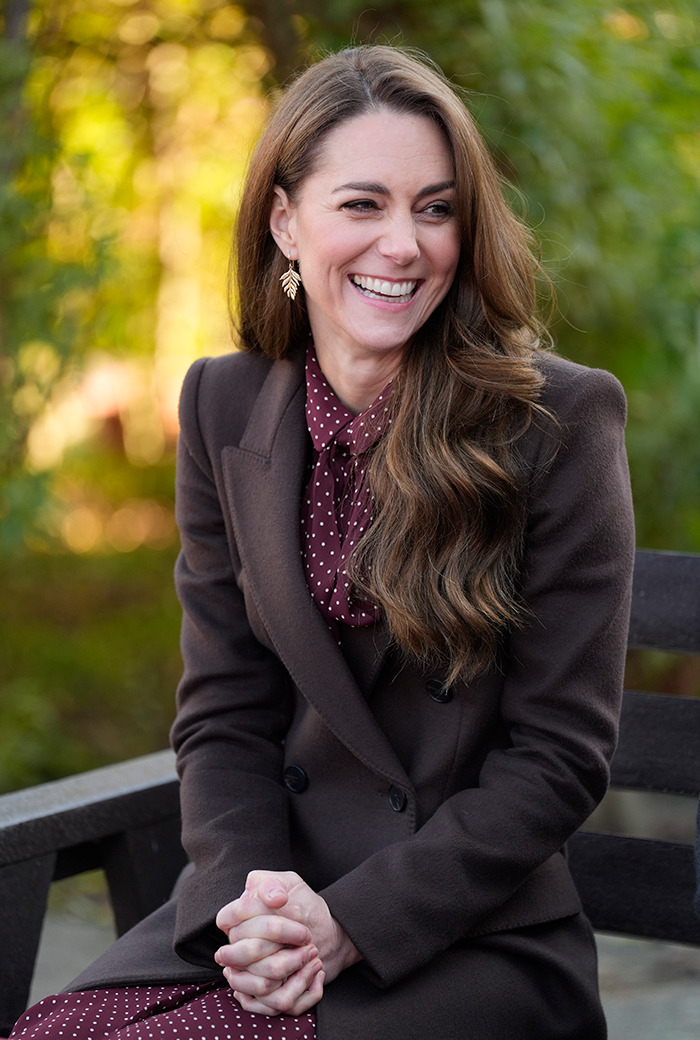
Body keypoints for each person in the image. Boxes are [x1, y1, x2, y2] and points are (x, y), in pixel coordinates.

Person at [11, 44, 635, 1040]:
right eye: (362, 204)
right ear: (284, 221)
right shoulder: (223, 403)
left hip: (459, 938)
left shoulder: (555, 420)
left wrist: (347, 923)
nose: (404, 243)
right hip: (261, 913)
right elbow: (224, 710)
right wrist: (249, 902)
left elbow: (556, 758)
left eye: (435, 208)